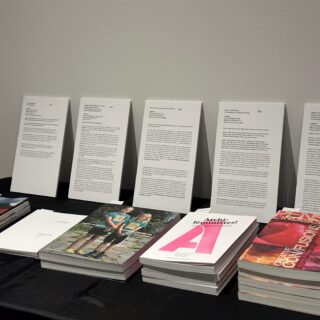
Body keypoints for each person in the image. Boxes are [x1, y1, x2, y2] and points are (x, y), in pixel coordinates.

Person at [64, 206, 134, 255]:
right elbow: (108, 220)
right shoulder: (112, 213)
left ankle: (79, 249)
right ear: (122, 208)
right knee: (86, 236)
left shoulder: (127, 216)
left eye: (129, 211)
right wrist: (113, 226)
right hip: (100, 226)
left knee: (93, 239)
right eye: (126, 209)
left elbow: (121, 222)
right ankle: (69, 248)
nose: (127, 211)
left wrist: (112, 228)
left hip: (108, 229)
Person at [85, 213, 152, 259]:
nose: (142, 217)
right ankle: (93, 252)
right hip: (117, 232)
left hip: (125, 234)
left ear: (146, 218)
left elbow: (134, 230)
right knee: (105, 242)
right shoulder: (131, 219)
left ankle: (101, 253)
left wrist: (125, 233)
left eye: (144, 217)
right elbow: (122, 225)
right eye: (142, 216)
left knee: (113, 244)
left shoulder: (143, 223)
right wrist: (119, 231)